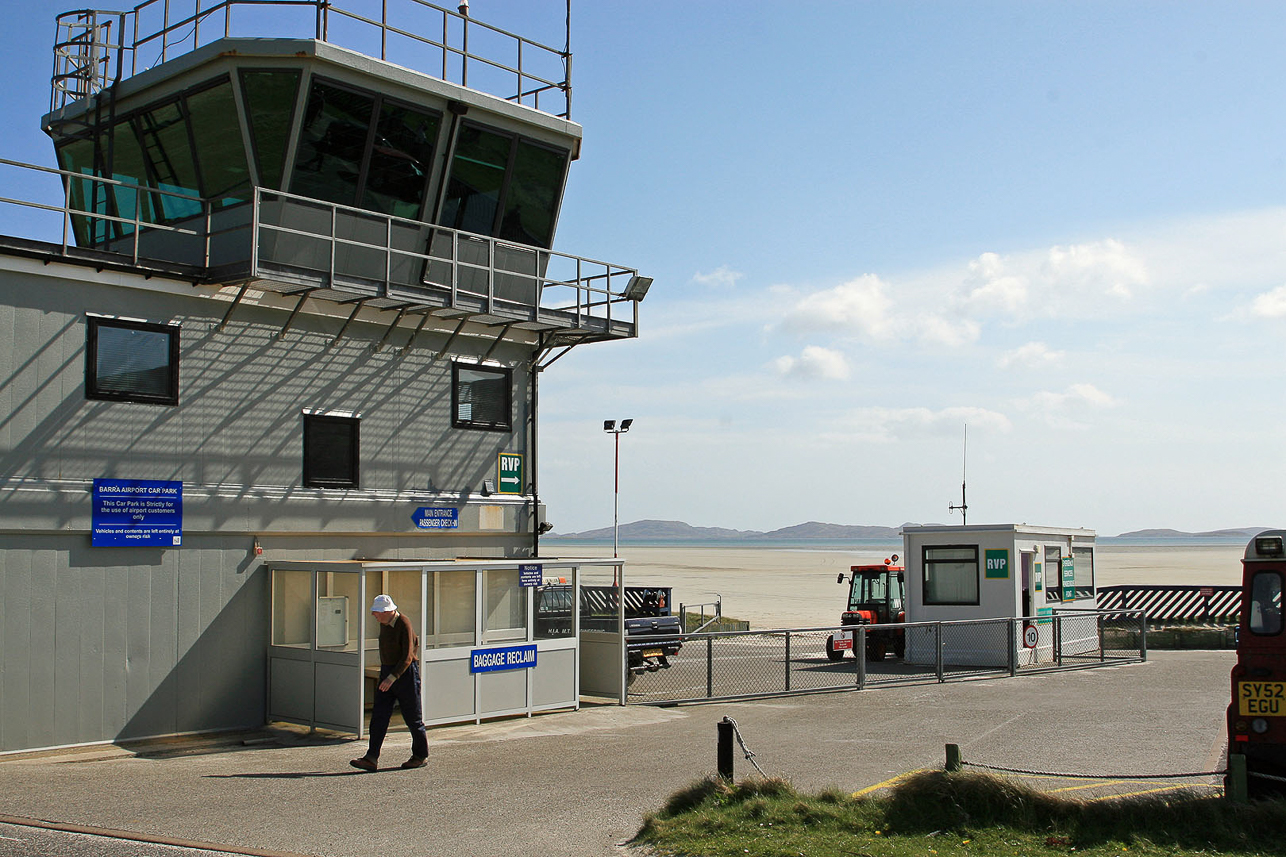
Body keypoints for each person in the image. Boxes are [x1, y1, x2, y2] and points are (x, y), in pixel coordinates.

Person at [350, 594, 429, 771]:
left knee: (413, 718)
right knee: (379, 716)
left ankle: (420, 755)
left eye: (377, 612)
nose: (374, 616)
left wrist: (392, 678)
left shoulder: (403, 624)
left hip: (405, 674)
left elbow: (408, 656)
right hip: (388, 671)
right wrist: (385, 675)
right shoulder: (384, 624)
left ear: (388, 611)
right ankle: (371, 758)